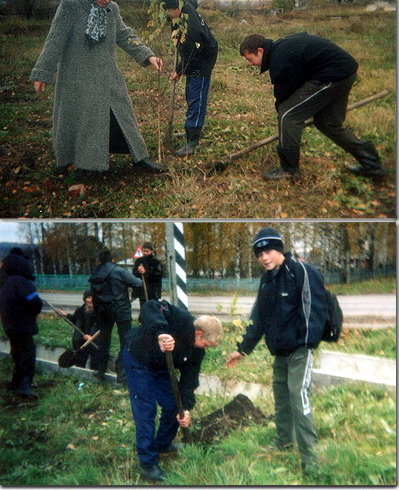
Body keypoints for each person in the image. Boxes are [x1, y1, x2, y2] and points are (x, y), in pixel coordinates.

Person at [30, 0, 164, 175]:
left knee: (122, 112)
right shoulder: (71, 5)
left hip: (107, 75)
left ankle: (140, 158)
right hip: (77, 78)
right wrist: (42, 72)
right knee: (85, 120)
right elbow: (55, 40)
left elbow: (125, 35)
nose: (108, 0)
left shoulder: (112, 9)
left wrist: (148, 55)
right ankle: (84, 164)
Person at [226, 228, 328, 476]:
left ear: (280, 249)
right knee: (281, 396)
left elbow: (316, 309)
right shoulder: (267, 279)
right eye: (259, 253)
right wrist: (243, 349)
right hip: (280, 352)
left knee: (298, 396)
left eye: (268, 251)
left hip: (300, 350)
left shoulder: (300, 271)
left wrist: (306, 342)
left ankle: (311, 459)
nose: (264, 257)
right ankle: (283, 441)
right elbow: (258, 317)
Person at [239, 33, 386, 180]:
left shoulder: (280, 59)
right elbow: (291, 88)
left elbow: (284, 96)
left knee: (287, 116)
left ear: (260, 51)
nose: (250, 64)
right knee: (328, 123)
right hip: (344, 71)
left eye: (249, 59)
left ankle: (289, 169)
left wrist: (284, 118)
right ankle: (372, 165)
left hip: (334, 74)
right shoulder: (280, 50)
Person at [123, 298, 223, 481]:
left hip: (161, 368)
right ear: (199, 333)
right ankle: (147, 463)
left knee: (173, 406)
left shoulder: (197, 352)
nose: (206, 349)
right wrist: (161, 333)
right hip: (139, 360)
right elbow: (150, 306)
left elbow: (189, 381)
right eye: (206, 344)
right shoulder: (180, 319)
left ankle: (162, 444)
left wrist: (185, 408)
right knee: (146, 411)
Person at [161, 0, 218, 156]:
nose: (168, 14)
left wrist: (179, 70)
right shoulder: (184, 5)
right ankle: (189, 130)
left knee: (196, 98)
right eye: (166, 10)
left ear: (178, 7)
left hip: (203, 59)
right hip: (194, 55)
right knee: (190, 93)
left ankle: (193, 141)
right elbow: (192, 0)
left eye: (171, 10)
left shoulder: (190, 27)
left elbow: (192, 55)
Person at [89, 250, 142, 383]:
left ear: (99, 261)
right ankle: (122, 374)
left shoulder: (95, 273)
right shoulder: (119, 271)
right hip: (121, 311)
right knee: (125, 341)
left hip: (103, 312)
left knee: (104, 341)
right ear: (112, 260)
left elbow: (93, 295)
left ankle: (101, 371)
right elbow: (138, 283)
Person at [0, 251, 43, 398]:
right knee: (27, 354)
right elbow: (35, 302)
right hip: (23, 325)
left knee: (16, 352)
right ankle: (25, 386)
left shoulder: (6, 282)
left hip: (9, 324)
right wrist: (35, 309)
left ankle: (16, 382)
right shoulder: (22, 282)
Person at [57, 290, 99, 370]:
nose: (91, 300)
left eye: (93, 298)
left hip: (94, 342)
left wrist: (92, 337)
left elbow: (102, 329)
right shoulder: (79, 311)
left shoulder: (99, 313)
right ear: (85, 299)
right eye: (89, 297)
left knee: (94, 364)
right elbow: (74, 321)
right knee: (80, 363)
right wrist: (66, 316)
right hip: (80, 342)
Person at [132, 242, 163, 309]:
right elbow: (134, 274)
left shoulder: (156, 261)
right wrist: (138, 271)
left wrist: (145, 272)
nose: (145, 253)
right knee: (144, 308)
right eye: (144, 251)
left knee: (153, 309)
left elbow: (158, 275)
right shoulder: (139, 261)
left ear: (151, 251)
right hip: (142, 289)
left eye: (147, 251)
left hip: (153, 290)